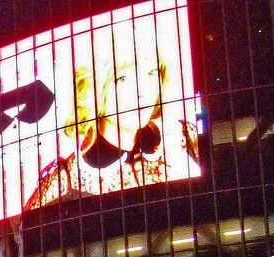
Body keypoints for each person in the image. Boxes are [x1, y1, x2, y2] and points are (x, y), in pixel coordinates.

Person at [24, 26, 199, 211]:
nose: (142, 92)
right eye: (122, 79)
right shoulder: (62, 181)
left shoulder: (184, 136)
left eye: (151, 73)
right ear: (95, 88)